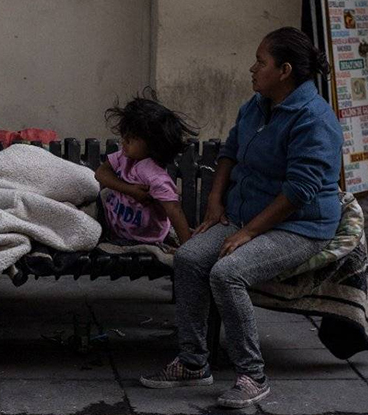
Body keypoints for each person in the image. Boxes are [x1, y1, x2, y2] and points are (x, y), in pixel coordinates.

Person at [140, 27, 343, 409]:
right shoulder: (256, 104)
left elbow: (299, 192)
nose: (252, 68)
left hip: (300, 225)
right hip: (244, 214)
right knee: (188, 258)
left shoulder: (314, 120)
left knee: (227, 273)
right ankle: (193, 363)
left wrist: (248, 232)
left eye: (260, 62)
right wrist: (216, 201)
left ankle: (252, 376)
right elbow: (229, 152)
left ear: (284, 71)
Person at [95, 93, 197, 246]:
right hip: (115, 231)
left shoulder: (155, 177)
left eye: (130, 139)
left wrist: (186, 248)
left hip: (146, 239)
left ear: (152, 144)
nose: (124, 142)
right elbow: (101, 173)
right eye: (124, 136)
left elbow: (174, 210)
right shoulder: (124, 156)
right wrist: (130, 190)